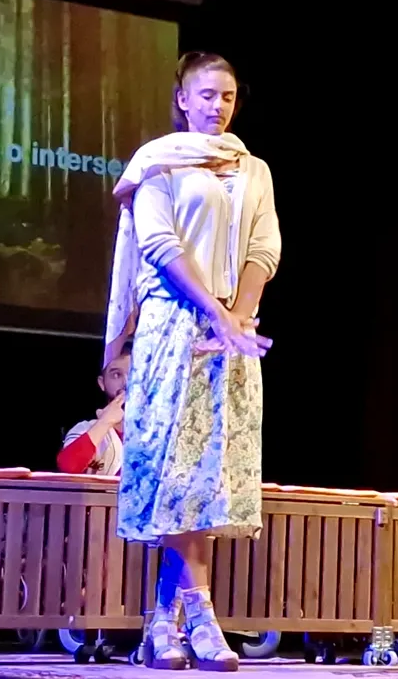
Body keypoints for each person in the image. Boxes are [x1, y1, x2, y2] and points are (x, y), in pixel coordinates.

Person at [104, 51, 280, 672]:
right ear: (182, 98)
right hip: (174, 326)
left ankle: (164, 624)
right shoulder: (158, 162)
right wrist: (214, 311)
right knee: (176, 472)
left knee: (208, 478)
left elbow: (264, 246)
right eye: (206, 94)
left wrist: (237, 316)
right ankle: (201, 618)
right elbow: (159, 242)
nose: (218, 106)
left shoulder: (253, 168)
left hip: (231, 331)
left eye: (227, 96)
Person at [56, 346, 130, 476]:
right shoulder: (87, 429)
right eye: (116, 375)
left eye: (133, 373)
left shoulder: (158, 432)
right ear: (102, 383)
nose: (126, 382)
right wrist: (105, 422)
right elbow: (68, 467)